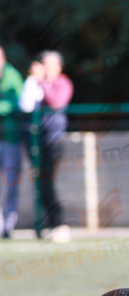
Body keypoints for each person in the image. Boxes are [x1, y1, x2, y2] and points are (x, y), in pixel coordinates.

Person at [19, 50, 73, 240]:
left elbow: (56, 102)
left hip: (53, 141)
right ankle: (46, 225)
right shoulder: (37, 83)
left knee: (48, 182)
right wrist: (33, 81)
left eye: (50, 65)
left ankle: (59, 223)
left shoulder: (63, 83)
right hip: (35, 140)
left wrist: (41, 81)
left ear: (58, 67)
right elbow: (25, 105)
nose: (47, 69)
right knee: (40, 183)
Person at [0, 46, 23, 239]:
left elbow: (18, 102)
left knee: (10, 183)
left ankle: (9, 224)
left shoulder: (12, 76)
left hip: (10, 139)